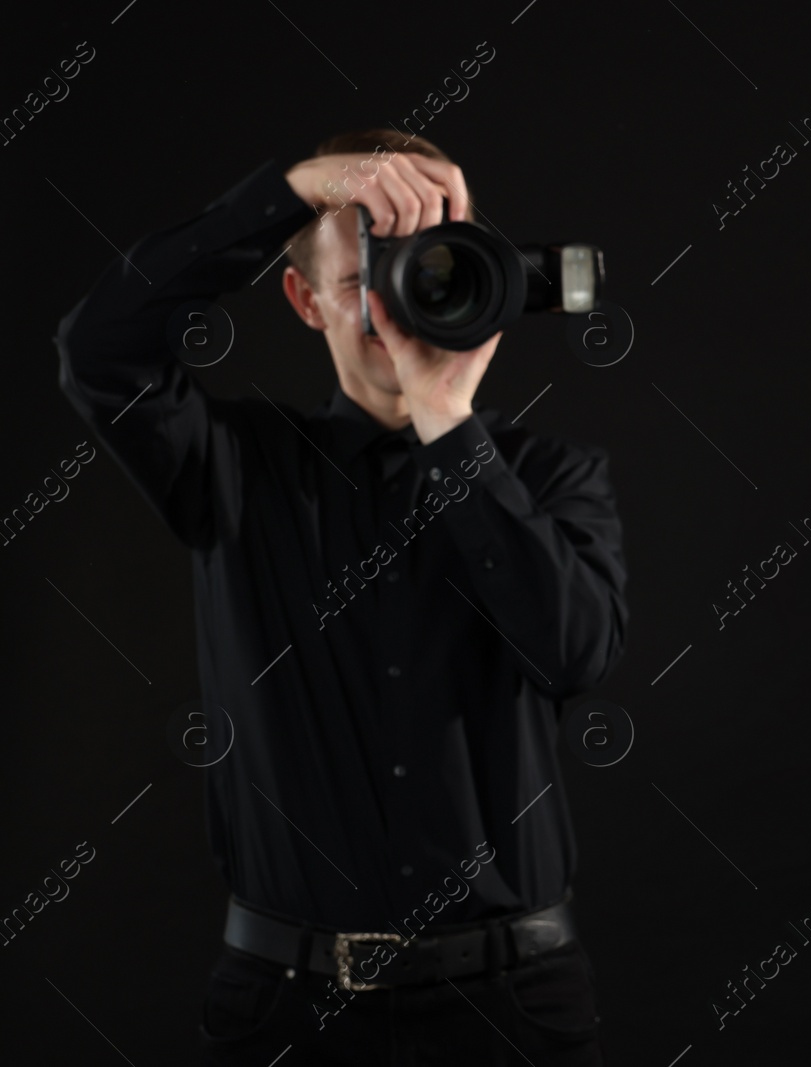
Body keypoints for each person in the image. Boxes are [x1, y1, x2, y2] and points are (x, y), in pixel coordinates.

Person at [54, 128, 626, 1065]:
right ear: (304, 299)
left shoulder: (554, 478)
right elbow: (98, 347)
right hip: (284, 1011)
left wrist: (449, 424)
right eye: (372, 273)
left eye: (433, 266)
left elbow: (573, 652)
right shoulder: (233, 469)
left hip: (513, 1008)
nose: (401, 304)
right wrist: (288, 191)